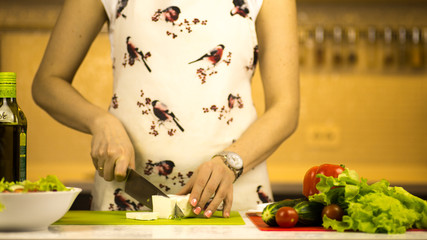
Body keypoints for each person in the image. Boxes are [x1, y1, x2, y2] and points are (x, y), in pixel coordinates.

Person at [32, 0, 300, 218]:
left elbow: (285, 108)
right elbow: (47, 83)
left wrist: (231, 162)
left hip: (232, 201)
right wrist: (101, 122)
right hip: (127, 198)